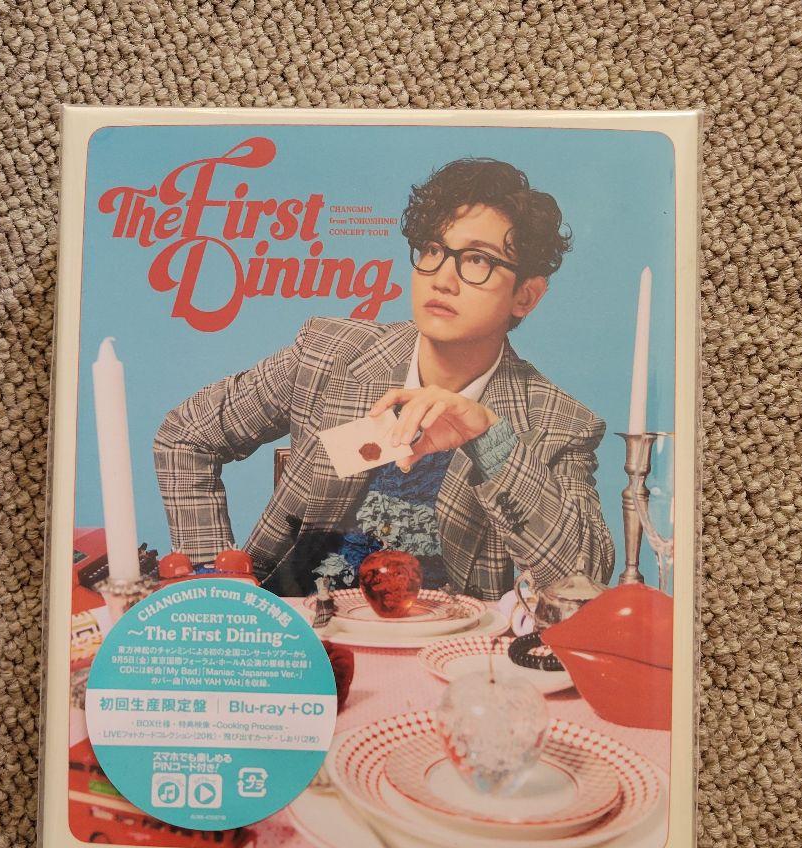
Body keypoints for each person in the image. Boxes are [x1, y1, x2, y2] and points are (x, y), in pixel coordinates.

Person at [154, 158, 614, 599]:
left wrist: (491, 441)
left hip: (445, 645)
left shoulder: (559, 423)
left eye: (477, 260)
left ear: (526, 297)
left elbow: (584, 578)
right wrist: (216, 587)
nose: (442, 279)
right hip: (300, 630)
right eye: (433, 250)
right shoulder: (330, 355)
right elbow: (186, 434)